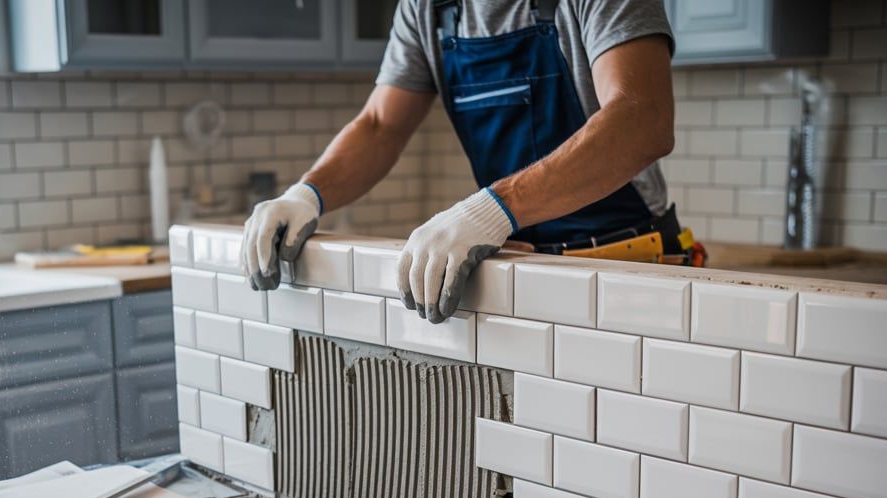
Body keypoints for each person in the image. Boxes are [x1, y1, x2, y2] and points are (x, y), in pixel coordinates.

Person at [241, 0, 676, 324]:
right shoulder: (425, 8)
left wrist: (490, 210)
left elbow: (642, 118)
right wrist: (306, 195)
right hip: (515, 274)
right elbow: (379, 125)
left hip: (625, 277)